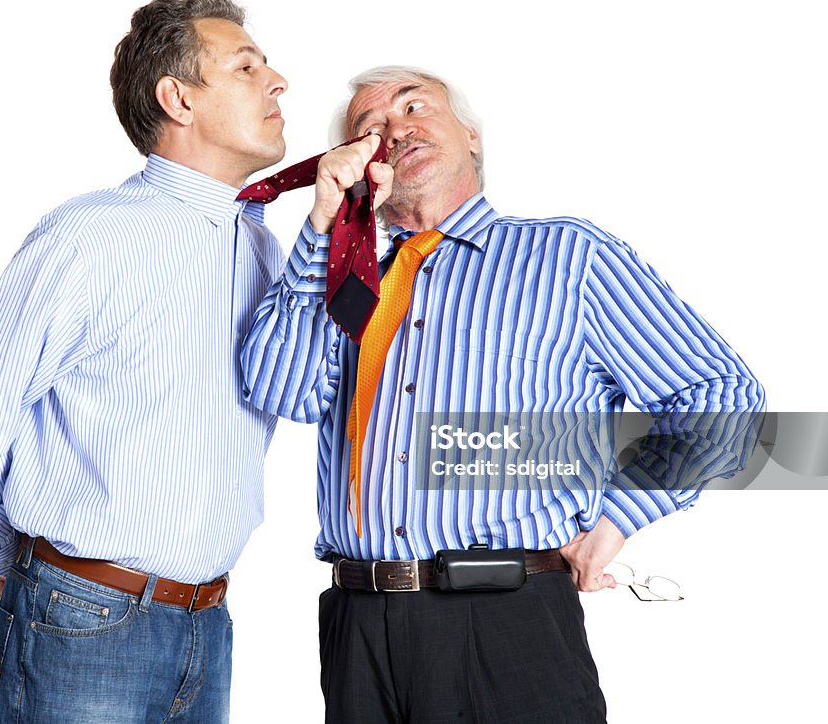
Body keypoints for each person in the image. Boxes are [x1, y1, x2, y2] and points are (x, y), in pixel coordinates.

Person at [240, 65, 764, 723]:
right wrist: (322, 226)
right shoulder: (348, 277)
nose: (395, 128)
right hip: (357, 626)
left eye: (414, 107)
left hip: (505, 623)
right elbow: (279, 387)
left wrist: (622, 515)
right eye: (368, 129)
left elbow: (722, 395)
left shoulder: (569, 258)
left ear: (471, 136)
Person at [0, 0, 288, 723]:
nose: (277, 81)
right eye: (246, 67)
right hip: (82, 622)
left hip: (208, 626)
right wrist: (31, 564)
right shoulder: (89, 238)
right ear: (177, 99)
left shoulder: (260, 247)